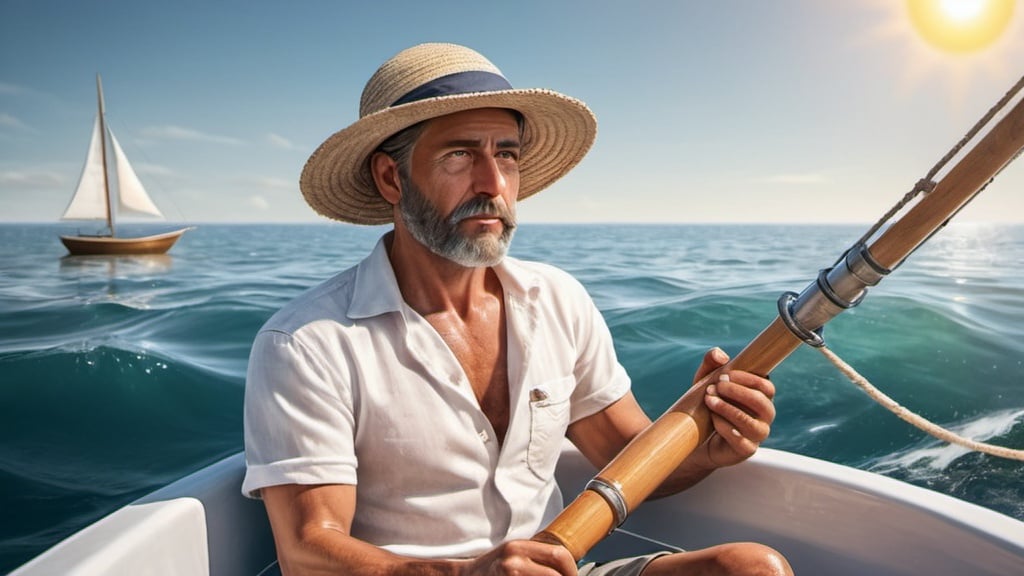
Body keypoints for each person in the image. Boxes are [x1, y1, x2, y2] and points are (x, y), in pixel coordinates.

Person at [242, 43, 793, 576]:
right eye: (460, 155)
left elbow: (625, 456)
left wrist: (704, 445)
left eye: (506, 154)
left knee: (752, 568)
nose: (493, 184)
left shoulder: (558, 299)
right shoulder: (306, 343)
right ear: (391, 177)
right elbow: (308, 551)